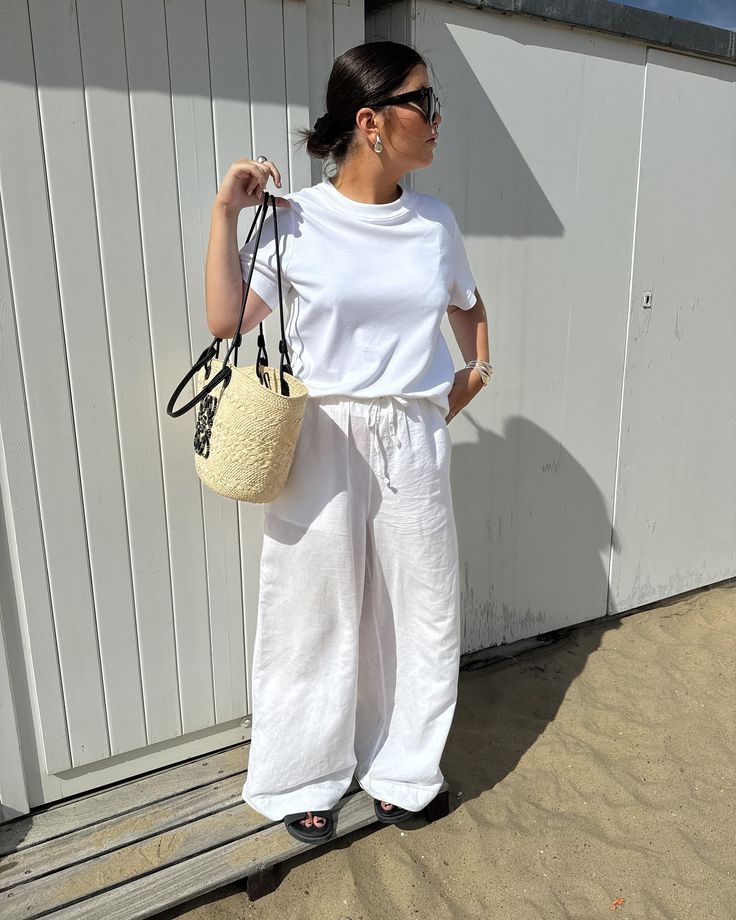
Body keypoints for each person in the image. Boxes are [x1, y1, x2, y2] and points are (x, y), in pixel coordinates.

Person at [204, 40, 491, 845]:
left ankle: (404, 770)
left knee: (419, 609)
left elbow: (467, 304)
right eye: (422, 103)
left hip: (412, 434)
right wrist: (227, 212)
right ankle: (303, 774)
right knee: (312, 611)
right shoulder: (297, 218)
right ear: (370, 122)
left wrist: (475, 372)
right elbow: (227, 322)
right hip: (321, 434)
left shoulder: (435, 222)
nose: (437, 120)